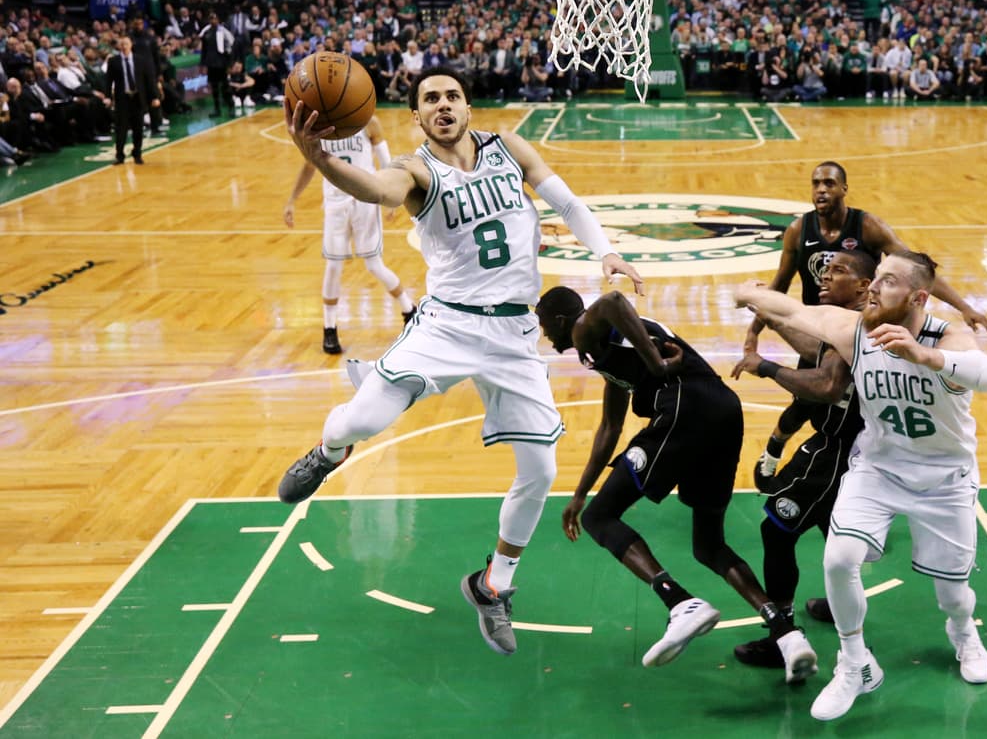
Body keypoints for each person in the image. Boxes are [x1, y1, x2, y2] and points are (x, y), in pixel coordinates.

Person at [278, 65, 643, 657]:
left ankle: (493, 585)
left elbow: (569, 202)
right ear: (417, 118)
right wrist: (318, 158)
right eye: (430, 99)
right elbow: (375, 190)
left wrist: (607, 252)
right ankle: (327, 452)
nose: (443, 105)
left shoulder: (511, 148)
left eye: (452, 96)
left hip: (513, 334)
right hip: (447, 325)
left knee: (542, 473)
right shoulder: (414, 168)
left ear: (468, 107)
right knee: (362, 422)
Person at [735, 250, 987, 721]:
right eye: (874, 278)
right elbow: (795, 312)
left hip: (945, 480)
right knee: (838, 560)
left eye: (889, 281)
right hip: (878, 470)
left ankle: (963, 633)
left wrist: (925, 355)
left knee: (953, 593)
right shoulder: (854, 330)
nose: (873, 288)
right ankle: (855, 663)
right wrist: (750, 293)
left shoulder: (947, 335)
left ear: (918, 296)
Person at [535, 285, 819, 684]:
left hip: (688, 403)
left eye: (546, 325)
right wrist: (579, 493)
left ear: (563, 320)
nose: (545, 335)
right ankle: (786, 634)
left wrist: (657, 364)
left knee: (601, 518)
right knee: (708, 545)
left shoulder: (583, 329)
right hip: (723, 410)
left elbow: (614, 301)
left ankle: (680, 602)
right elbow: (609, 427)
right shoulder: (608, 355)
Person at [741, 162, 987, 538]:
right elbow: (778, 286)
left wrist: (965, 307)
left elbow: (917, 270)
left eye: (829, 183)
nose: (821, 190)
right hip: (817, 330)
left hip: (857, 328)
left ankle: (862, 495)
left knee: (851, 409)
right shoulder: (799, 230)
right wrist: (754, 332)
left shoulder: (867, 227)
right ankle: (777, 449)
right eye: (816, 183)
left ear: (845, 188)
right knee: (806, 402)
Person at [728, 249, 876, 669]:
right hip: (857, 451)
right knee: (838, 539)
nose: (825, 277)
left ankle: (784, 636)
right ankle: (841, 610)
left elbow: (827, 385)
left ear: (864, 287)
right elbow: (813, 345)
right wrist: (767, 314)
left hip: (834, 451)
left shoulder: (859, 327)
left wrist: (766, 368)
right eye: (825, 270)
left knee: (775, 531)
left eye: (838, 271)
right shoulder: (853, 322)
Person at [283, 114, 417, 353]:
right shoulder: (320, 125)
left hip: (365, 201)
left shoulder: (369, 122)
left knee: (374, 265)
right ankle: (329, 329)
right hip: (335, 203)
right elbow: (309, 164)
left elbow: (387, 163)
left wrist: (391, 199)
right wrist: (292, 199)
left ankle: (409, 310)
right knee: (333, 267)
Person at [107, 37, 146, 165]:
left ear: (131, 45)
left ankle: (137, 153)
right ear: (119, 46)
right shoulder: (113, 61)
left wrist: (154, 97)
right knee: (121, 128)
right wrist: (108, 96)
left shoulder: (140, 60)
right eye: (122, 44)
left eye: (126, 44)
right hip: (122, 98)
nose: (124, 46)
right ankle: (120, 155)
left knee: (138, 128)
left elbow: (147, 79)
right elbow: (109, 81)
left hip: (137, 98)